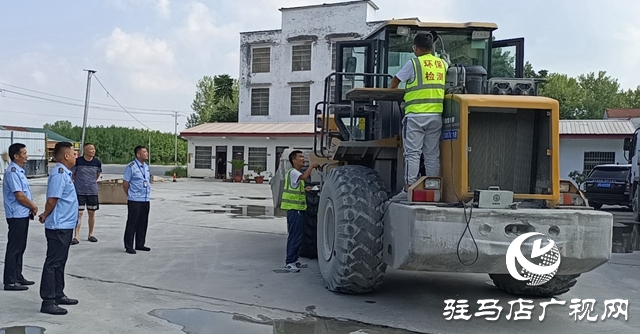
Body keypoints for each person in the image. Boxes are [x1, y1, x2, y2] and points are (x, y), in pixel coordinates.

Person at [390, 32, 447, 199]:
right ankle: (434, 188)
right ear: (431, 48)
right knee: (432, 154)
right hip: (436, 115)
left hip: (415, 116)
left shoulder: (413, 63)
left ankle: (409, 188)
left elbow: (395, 82)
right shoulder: (442, 64)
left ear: (416, 48)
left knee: (412, 153)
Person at [38, 141, 79, 315]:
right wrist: (46, 214)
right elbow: (52, 200)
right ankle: (48, 301)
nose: (76, 155)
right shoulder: (59, 174)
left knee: (60, 263)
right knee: (53, 263)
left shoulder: (66, 174)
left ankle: (57, 293)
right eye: (73, 153)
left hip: (66, 225)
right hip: (58, 226)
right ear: (66, 156)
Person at [2, 143, 38, 291]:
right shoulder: (13, 172)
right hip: (16, 214)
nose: (26, 155)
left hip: (22, 214)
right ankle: (10, 281)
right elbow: (20, 196)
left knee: (20, 246)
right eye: (24, 153)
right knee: (14, 247)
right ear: (16, 156)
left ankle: (18, 275)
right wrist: (33, 206)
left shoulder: (20, 171)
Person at [280, 150, 319, 272]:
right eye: (300, 157)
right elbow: (304, 177)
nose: (303, 159)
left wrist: (306, 189)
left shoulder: (295, 174)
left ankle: (295, 260)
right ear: (294, 160)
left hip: (299, 210)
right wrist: (312, 166)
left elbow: (297, 185)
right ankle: (289, 262)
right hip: (294, 210)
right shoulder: (294, 172)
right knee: (294, 236)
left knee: (298, 236)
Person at [71, 143, 102, 245]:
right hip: (79, 191)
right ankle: (76, 236)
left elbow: (97, 175)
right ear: (85, 150)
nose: (93, 151)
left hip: (92, 191)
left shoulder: (97, 162)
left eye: (94, 149)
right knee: (79, 213)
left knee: (91, 213)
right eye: (91, 149)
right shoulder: (78, 161)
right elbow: (73, 174)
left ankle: (91, 234)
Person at [122, 145, 151, 254]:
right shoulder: (131, 166)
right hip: (135, 199)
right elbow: (125, 183)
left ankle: (140, 244)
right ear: (138, 154)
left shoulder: (146, 167)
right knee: (132, 223)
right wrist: (130, 194)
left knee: (143, 222)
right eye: (144, 152)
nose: (147, 153)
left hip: (145, 199)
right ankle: (129, 245)